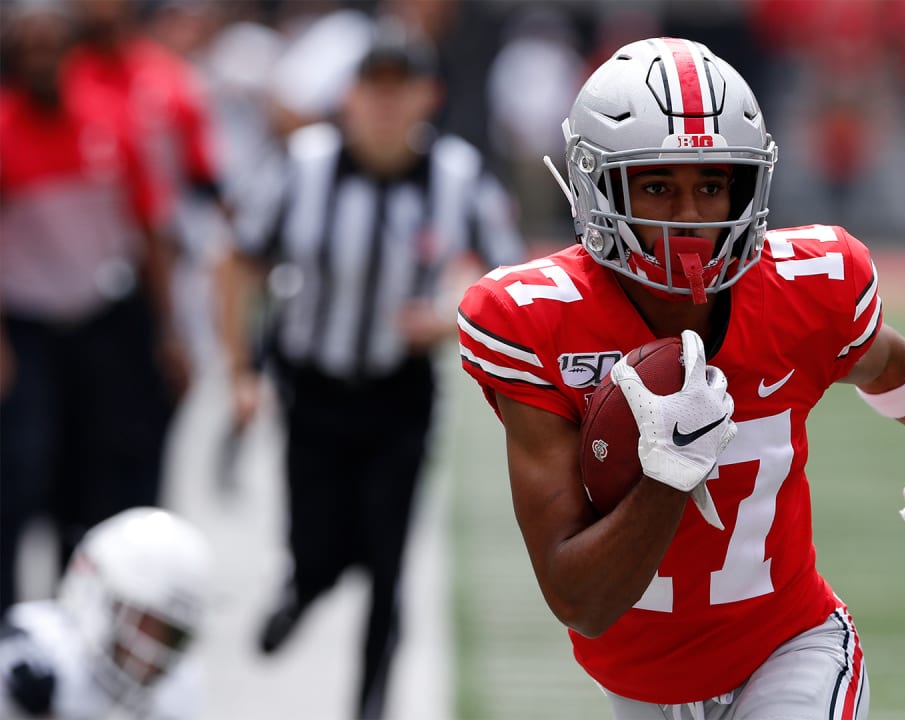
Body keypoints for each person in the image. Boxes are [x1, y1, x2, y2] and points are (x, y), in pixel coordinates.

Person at [456, 37, 905, 718]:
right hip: (641, 685)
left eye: (712, 185)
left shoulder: (807, 286)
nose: (691, 217)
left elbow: (883, 360)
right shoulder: (536, 319)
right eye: (659, 187)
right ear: (595, 185)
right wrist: (668, 474)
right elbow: (579, 601)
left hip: (790, 648)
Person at [220, 36, 523, 720]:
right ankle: (305, 589)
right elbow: (238, 259)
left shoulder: (458, 175)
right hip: (314, 390)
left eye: (400, 89)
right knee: (318, 549)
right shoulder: (302, 168)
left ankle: (370, 706)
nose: (386, 105)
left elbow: (512, 279)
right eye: (373, 89)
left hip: (399, 393)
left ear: (427, 96)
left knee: (389, 563)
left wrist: (450, 318)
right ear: (349, 97)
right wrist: (241, 368)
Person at [0, 1, 186, 612]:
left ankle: (78, 612)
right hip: (28, 329)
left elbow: (149, 229)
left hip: (101, 322)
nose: (42, 60)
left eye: (51, 47)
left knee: (96, 475)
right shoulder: (4, 127)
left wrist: (170, 328)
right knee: (24, 473)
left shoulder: (111, 118)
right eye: (28, 48)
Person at [0, 507, 213, 719]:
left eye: (172, 636)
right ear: (97, 596)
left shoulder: (177, 692)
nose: (152, 654)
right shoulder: (37, 659)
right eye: (145, 623)